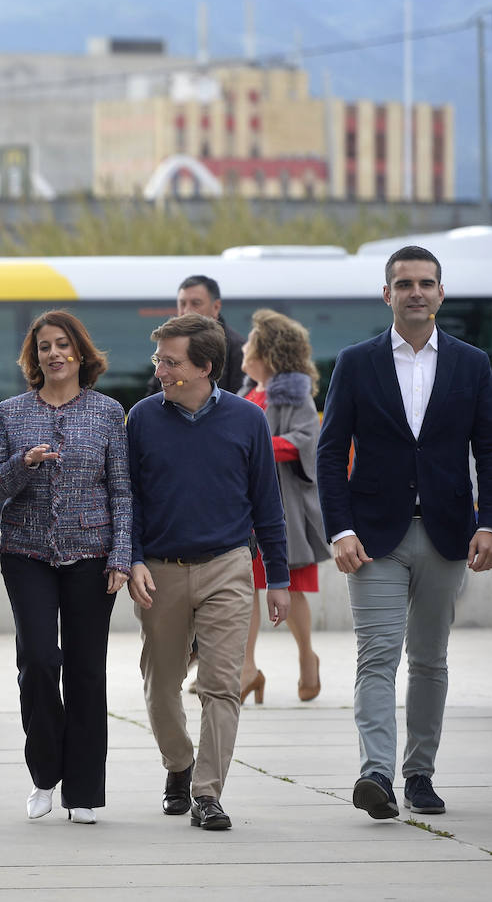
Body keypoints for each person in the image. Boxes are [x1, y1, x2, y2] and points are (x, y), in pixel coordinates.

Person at [317, 245, 492, 820]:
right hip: (373, 539)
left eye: (426, 283)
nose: (416, 292)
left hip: (447, 533)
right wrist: (339, 529)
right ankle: (376, 774)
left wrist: (488, 520)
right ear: (386, 294)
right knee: (377, 657)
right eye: (405, 283)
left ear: (440, 294)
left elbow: (488, 450)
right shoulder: (356, 361)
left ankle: (419, 774)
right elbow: (329, 451)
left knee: (430, 662)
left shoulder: (472, 364)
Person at [126, 313, 290, 832]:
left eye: (171, 362)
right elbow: (126, 500)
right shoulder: (143, 418)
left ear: (206, 368)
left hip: (227, 567)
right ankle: (179, 764)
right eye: (159, 360)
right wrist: (130, 560)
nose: (160, 371)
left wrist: (279, 578)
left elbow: (268, 504)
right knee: (161, 683)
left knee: (221, 684)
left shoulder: (247, 420)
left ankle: (208, 793)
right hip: (160, 570)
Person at [0, 310, 131, 826]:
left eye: (64, 344)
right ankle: (45, 774)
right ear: (34, 357)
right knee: (41, 663)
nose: (55, 354)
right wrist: (23, 464)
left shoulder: (110, 412)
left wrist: (122, 556)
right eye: (44, 346)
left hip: (92, 556)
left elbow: (122, 492)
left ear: (82, 353)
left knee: (87, 672)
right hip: (27, 556)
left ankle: (84, 790)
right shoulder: (11, 412)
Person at [236, 309, 331, 704]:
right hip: (244, 507)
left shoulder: (294, 395)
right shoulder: (246, 395)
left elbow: (304, 442)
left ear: (267, 353)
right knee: (244, 588)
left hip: (283, 506)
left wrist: (256, 449)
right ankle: (246, 670)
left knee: (285, 586)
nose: (243, 348)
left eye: (250, 343)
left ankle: (307, 656)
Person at [146, 275, 247, 399]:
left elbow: (238, 399)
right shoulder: (168, 344)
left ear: (216, 307)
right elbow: (154, 394)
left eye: (196, 303)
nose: (187, 310)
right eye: (182, 304)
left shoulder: (239, 349)